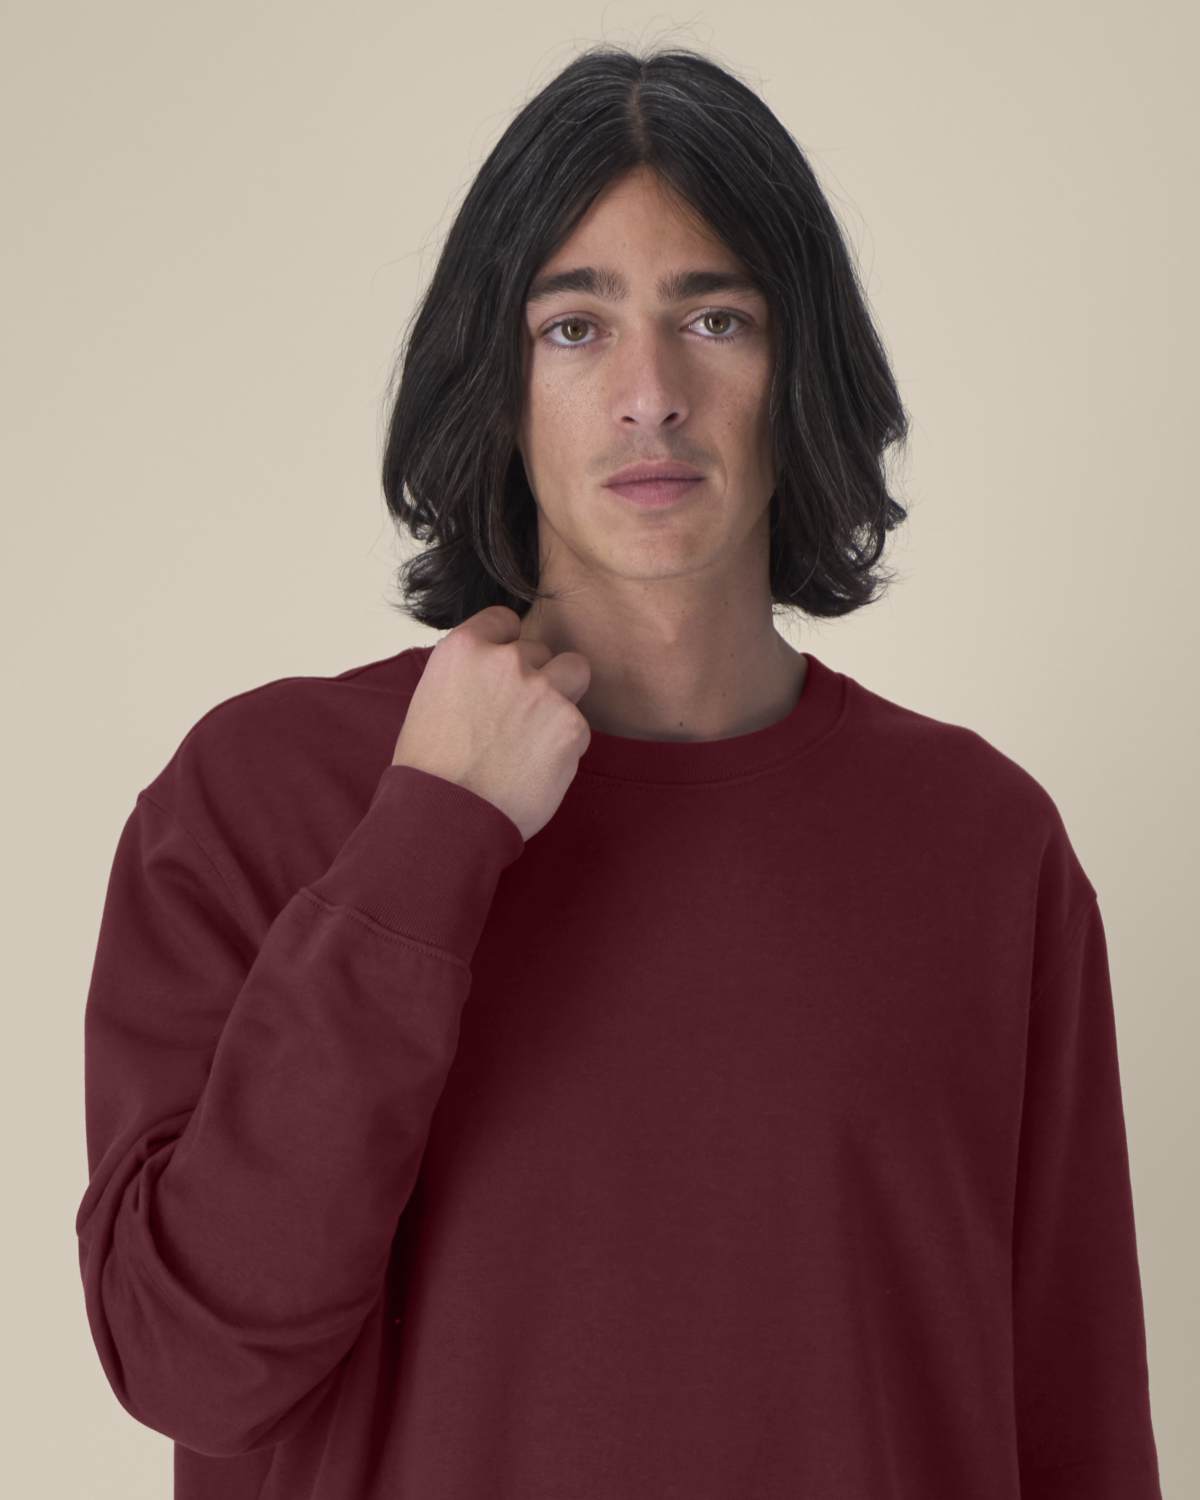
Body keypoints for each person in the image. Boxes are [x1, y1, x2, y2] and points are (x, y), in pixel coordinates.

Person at [75, 43, 1163, 1500]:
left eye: (715, 317)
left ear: (802, 374)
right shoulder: (261, 801)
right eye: (574, 327)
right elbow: (190, 1366)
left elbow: (1077, 1422)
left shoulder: (980, 847)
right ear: (497, 381)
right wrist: (430, 839)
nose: (651, 394)